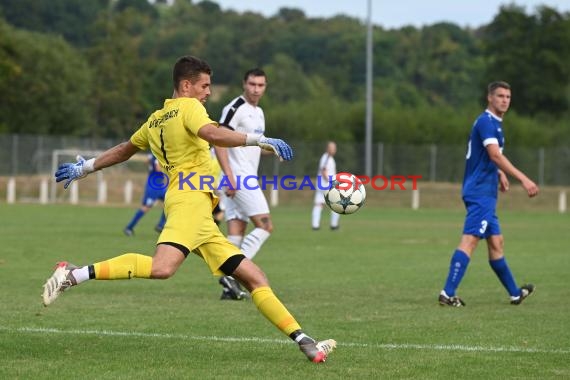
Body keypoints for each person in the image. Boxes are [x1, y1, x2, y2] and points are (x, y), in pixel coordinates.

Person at [43, 55, 336, 363]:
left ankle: (306, 343)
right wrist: (258, 140)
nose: (208, 92)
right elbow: (212, 133)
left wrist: (85, 167)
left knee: (254, 277)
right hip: (191, 200)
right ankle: (74, 275)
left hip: (196, 210)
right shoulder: (190, 108)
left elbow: (123, 150)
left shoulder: (155, 120)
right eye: (204, 85)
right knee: (162, 268)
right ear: (186, 85)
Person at [438, 81, 539, 307]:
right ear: (490, 98)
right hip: (479, 192)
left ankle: (515, 293)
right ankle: (447, 293)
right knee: (471, 240)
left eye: (508, 96)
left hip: (487, 191)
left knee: (496, 243)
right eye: (500, 96)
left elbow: (490, 157)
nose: (505, 100)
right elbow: (494, 155)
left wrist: (500, 174)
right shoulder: (486, 122)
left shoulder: (496, 124)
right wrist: (522, 178)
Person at [214, 68, 274, 301]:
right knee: (266, 226)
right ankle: (233, 275)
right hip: (238, 177)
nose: (256, 89)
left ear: (265, 87)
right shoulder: (234, 108)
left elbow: (251, 145)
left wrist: (273, 149)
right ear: (244, 84)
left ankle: (229, 289)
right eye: (252, 84)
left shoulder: (258, 113)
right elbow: (219, 141)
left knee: (237, 230)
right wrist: (228, 175)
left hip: (244, 175)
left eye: (260, 85)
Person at [123, 153, 166, 236]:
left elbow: (146, 161)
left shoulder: (153, 154)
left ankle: (160, 225)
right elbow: (158, 168)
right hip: (153, 187)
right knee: (146, 208)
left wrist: (151, 163)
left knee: (169, 202)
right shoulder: (158, 155)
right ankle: (129, 227)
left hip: (159, 185)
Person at [311, 141, 340, 231]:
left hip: (322, 184)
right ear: (327, 149)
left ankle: (315, 226)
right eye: (332, 148)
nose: (334, 150)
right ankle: (334, 225)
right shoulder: (327, 157)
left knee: (319, 204)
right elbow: (324, 171)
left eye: (335, 148)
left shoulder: (328, 158)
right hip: (326, 184)